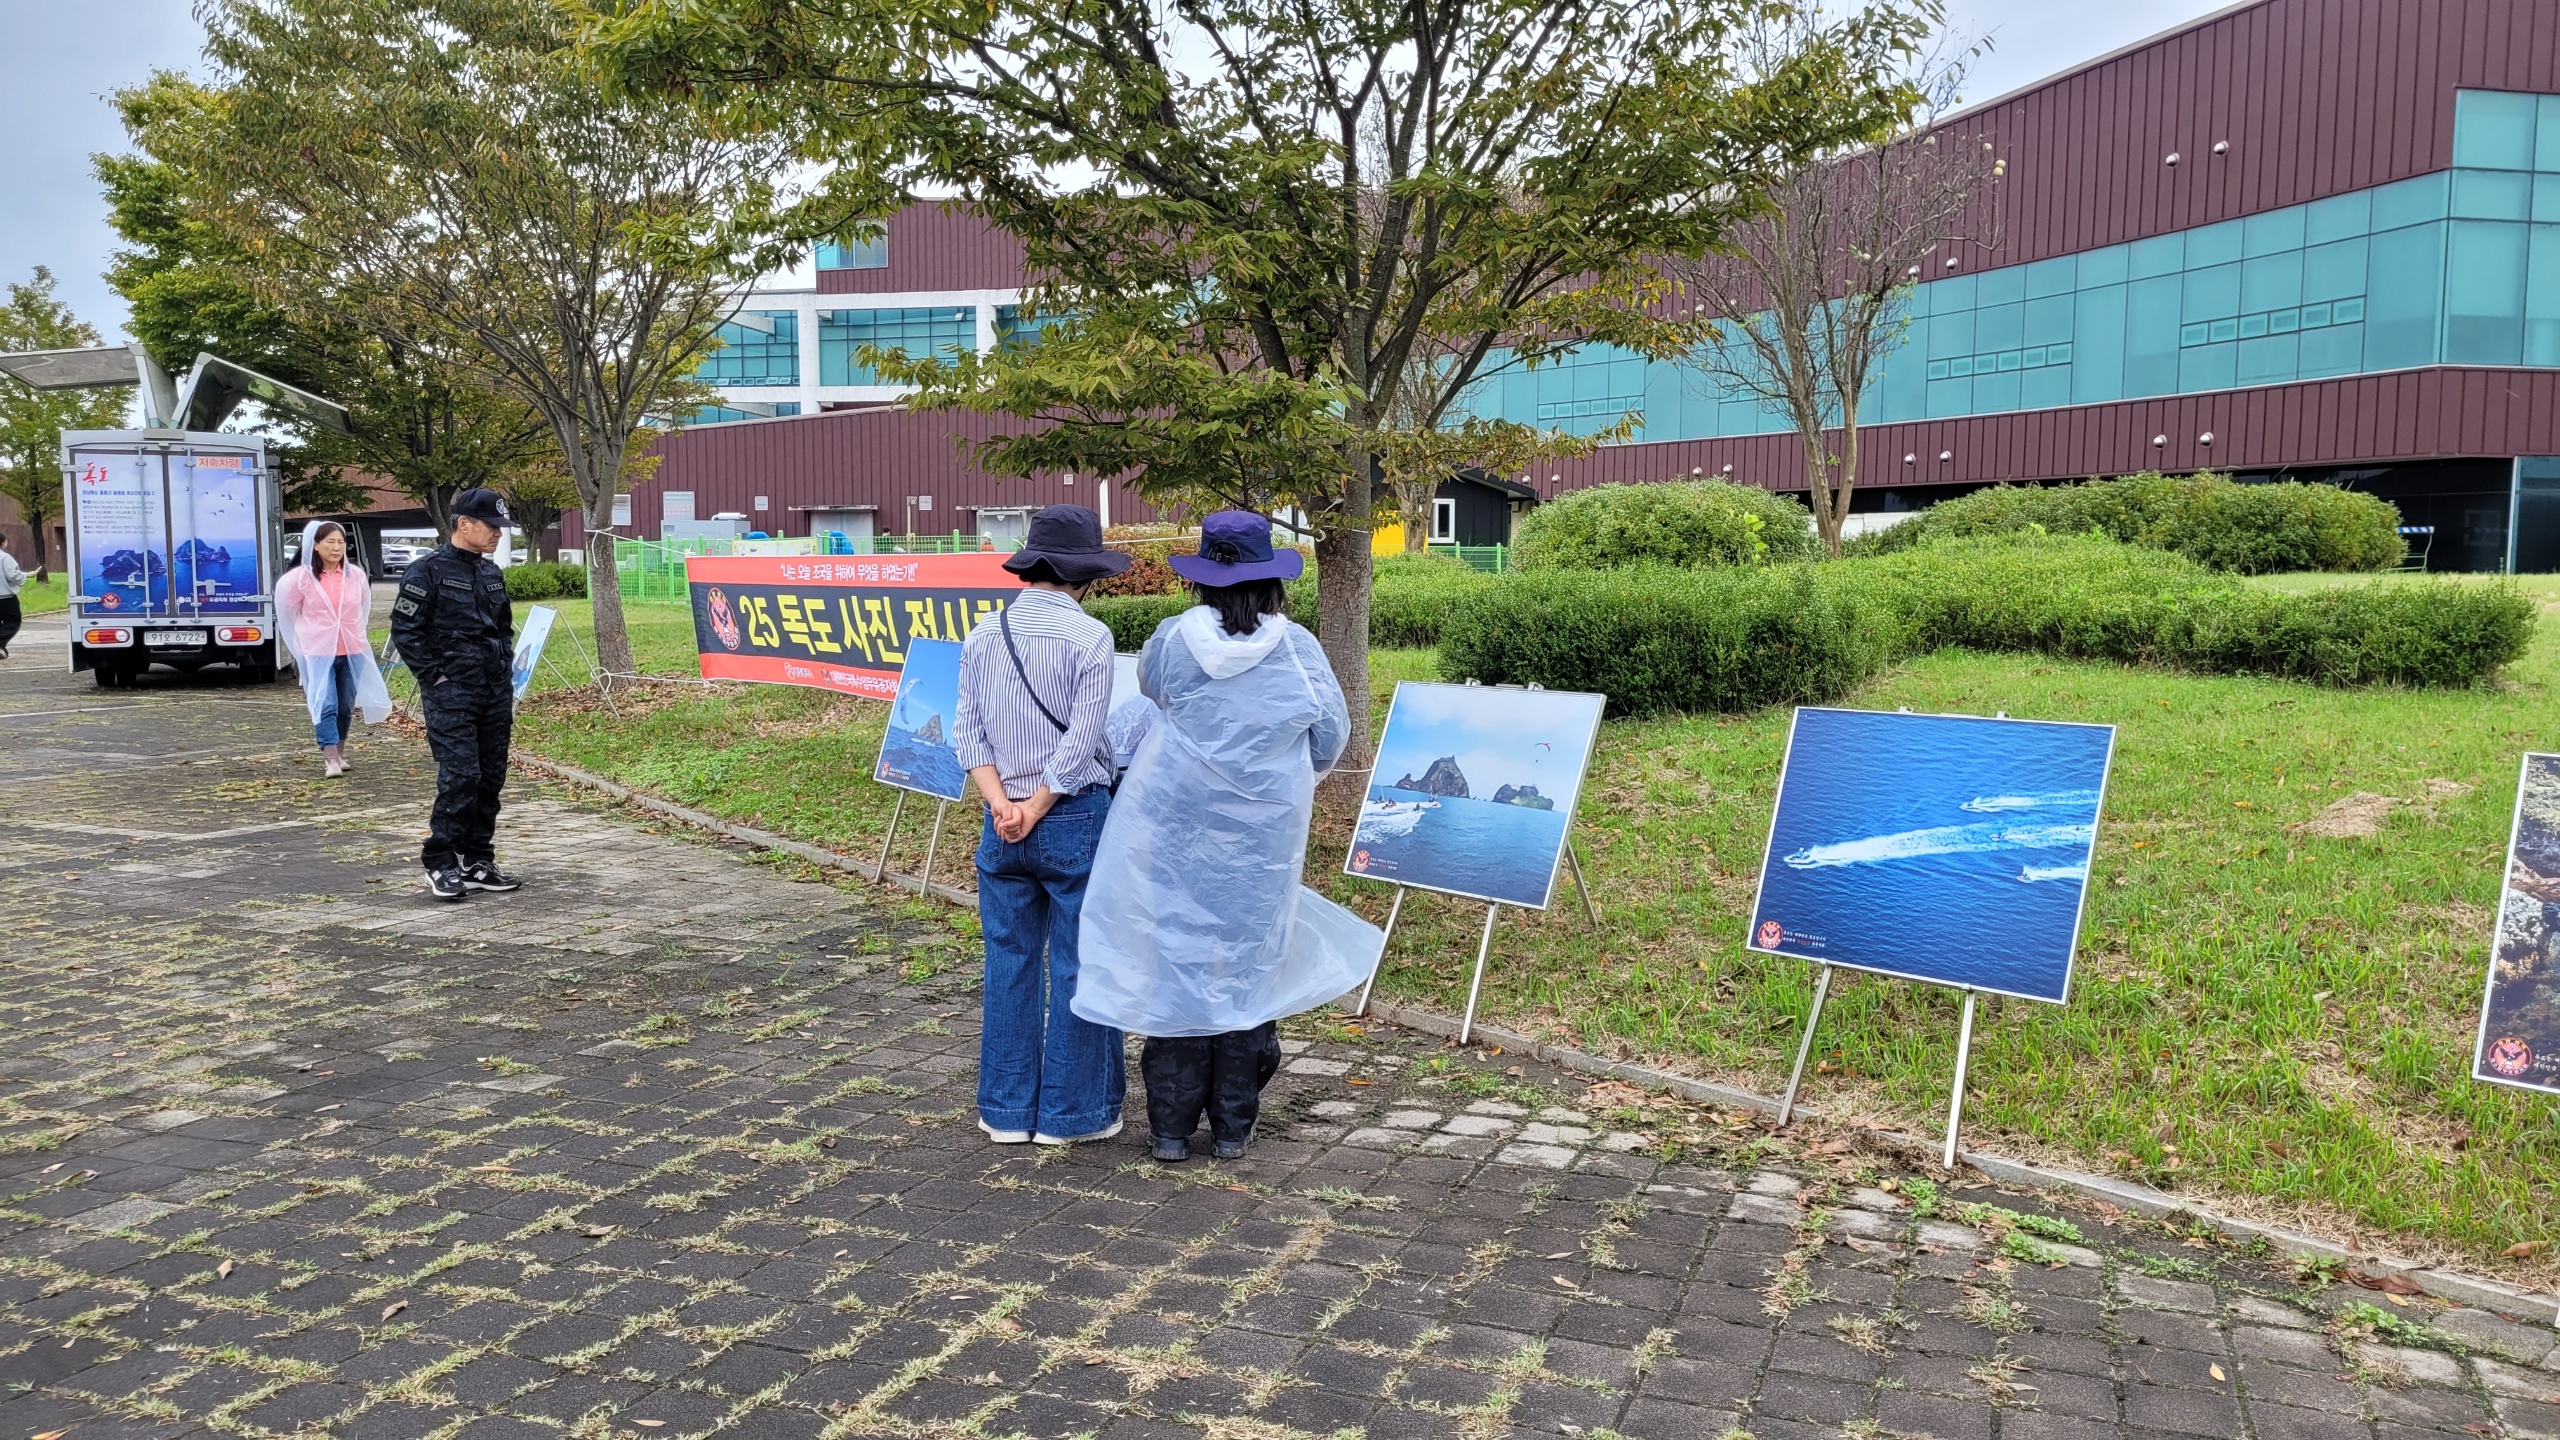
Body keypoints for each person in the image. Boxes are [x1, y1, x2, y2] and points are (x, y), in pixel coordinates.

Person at [1073, 511, 1381, 1163]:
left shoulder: (1170, 640)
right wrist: (1279, 778)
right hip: (1261, 842)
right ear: (1271, 580)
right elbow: (1331, 735)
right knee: (1248, 968)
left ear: (1203, 578)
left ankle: (1169, 1130)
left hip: (1173, 827)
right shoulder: (1299, 649)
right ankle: (1233, 1129)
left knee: (1175, 961)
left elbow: (1156, 695)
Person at [953, 504, 1131, 1147]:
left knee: (1009, 961)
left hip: (998, 820)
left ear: (1031, 566)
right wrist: (1036, 806)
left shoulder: (982, 635)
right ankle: (1072, 1115)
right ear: (1084, 576)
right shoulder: (1091, 637)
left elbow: (967, 733)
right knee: (1082, 961)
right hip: (1071, 814)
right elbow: (1082, 741)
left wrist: (1004, 805)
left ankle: (1005, 1112)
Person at [389, 488, 522, 902]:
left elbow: (502, 629)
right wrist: (436, 679)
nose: (498, 534)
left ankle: (476, 860)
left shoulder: (490, 573)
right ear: (464, 524)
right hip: (451, 694)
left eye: (501, 527)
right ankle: (440, 861)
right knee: (461, 776)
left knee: (490, 778)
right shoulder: (426, 571)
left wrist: (503, 671)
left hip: (493, 692)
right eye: (491, 526)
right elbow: (405, 631)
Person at [275, 522, 391, 777]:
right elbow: (288, 612)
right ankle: (329, 758)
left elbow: (362, 609)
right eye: (330, 542)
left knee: (345, 705)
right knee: (325, 702)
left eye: (340, 542)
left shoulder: (355, 576)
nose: (336, 547)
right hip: (317, 651)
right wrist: (308, 637)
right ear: (315, 546)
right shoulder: (300, 579)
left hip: (351, 649)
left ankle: (339, 751)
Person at [0, 542, 22, 660]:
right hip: (5, 596)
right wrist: (24, 576)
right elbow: (14, 575)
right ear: (3, 543)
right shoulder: (4, 557)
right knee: (13, 621)